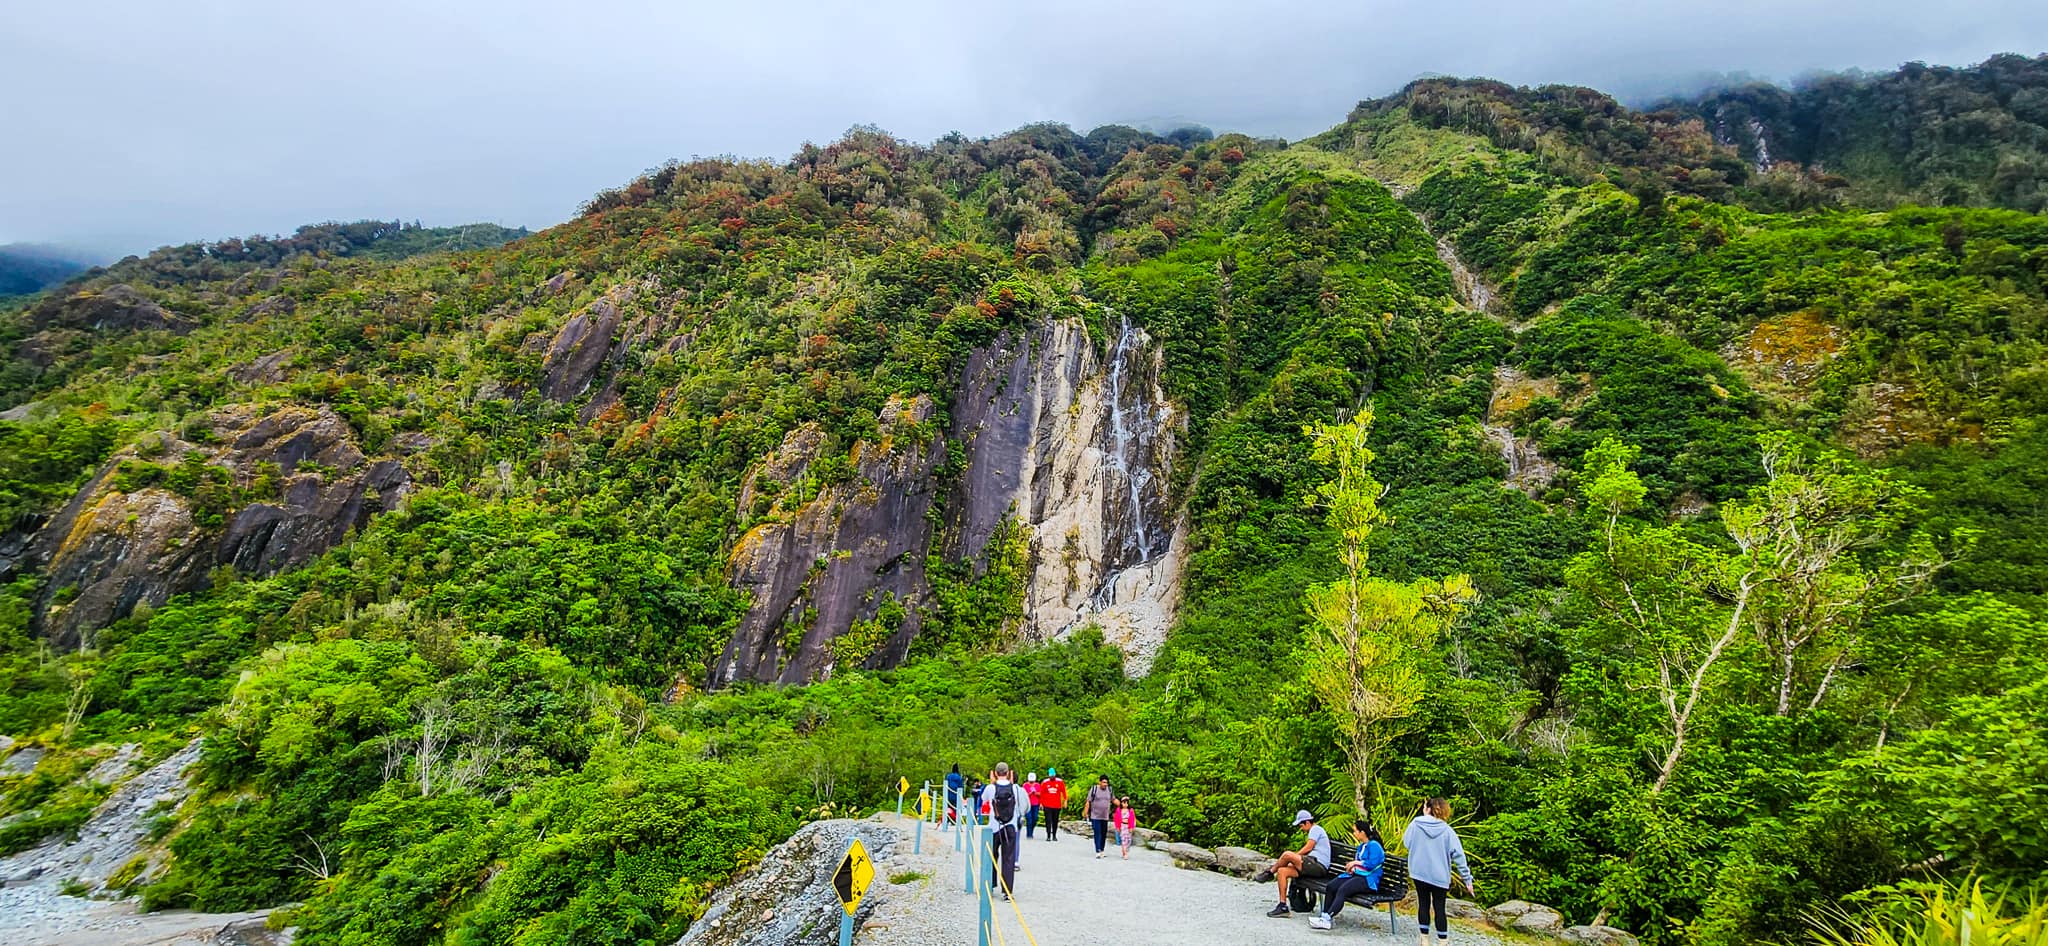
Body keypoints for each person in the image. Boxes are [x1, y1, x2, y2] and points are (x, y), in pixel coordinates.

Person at [1403, 798, 1477, 944]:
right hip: (1439, 875)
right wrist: (1467, 880)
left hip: (1419, 873)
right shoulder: (1448, 831)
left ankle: (1424, 939)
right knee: (1439, 907)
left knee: (1423, 904)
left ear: (1428, 809)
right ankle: (1443, 941)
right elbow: (1459, 856)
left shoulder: (1415, 824)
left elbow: (1407, 843)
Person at [1309, 820, 1387, 931]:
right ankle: (1324, 915)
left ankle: (1327, 918)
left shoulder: (1374, 845)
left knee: (1343, 890)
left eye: (1355, 831)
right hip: (1357, 875)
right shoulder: (1361, 846)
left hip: (1369, 879)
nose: (1354, 834)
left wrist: (1356, 863)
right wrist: (1352, 868)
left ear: (1362, 832)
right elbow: (1360, 863)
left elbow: (1372, 864)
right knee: (1331, 886)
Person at [1260, 810, 1333, 918]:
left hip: (1318, 865)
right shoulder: (1313, 831)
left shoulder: (1316, 829)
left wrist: (1294, 857)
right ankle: (1282, 906)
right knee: (1282, 871)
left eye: (1301, 825)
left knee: (1287, 855)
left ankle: (1269, 872)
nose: (1301, 828)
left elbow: (1309, 847)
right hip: (1310, 864)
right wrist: (1294, 860)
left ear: (1307, 822)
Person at [980, 763, 1029, 899]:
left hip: (994, 827)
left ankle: (990, 885)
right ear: (1008, 773)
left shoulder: (990, 788)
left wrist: (992, 783)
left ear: (995, 773)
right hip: (1010, 827)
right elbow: (1021, 806)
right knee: (1008, 858)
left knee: (992, 856)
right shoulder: (1015, 788)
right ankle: (1007, 892)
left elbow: (983, 799)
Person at [1085, 775, 1115, 858]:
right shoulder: (1094, 789)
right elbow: (1088, 801)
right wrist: (1086, 813)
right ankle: (1097, 850)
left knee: (1103, 833)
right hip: (1095, 816)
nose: (1105, 784)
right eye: (1104, 782)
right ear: (1100, 782)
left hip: (1105, 816)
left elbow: (1113, 799)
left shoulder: (1109, 790)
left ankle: (1102, 849)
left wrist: (1122, 804)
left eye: (1107, 783)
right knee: (1097, 833)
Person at [1040, 768, 1067, 841]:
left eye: (1053, 775)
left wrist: (1065, 800)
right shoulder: (1045, 782)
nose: (1052, 777)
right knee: (1048, 820)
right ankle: (1048, 835)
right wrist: (1041, 803)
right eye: (1050, 776)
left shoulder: (1060, 782)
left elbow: (1064, 791)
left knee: (1055, 820)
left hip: (1057, 805)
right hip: (1047, 805)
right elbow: (1042, 794)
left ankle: (1054, 835)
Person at [1023, 771, 1043, 839]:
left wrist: (1036, 793)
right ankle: (1029, 834)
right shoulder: (1025, 785)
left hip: (1036, 804)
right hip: (1027, 805)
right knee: (1029, 819)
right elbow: (1023, 795)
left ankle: (1031, 830)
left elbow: (1041, 794)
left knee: (1035, 818)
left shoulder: (1037, 785)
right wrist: (1030, 793)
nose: (1031, 782)